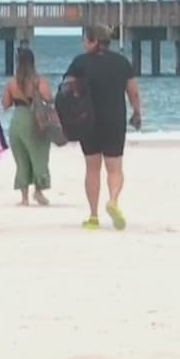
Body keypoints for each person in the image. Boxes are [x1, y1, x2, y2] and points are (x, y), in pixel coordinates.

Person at [63, 24, 142, 230]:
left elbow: (66, 90)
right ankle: (113, 201)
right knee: (114, 168)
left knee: (92, 169)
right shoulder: (122, 62)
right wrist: (137, 113)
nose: (83, 43)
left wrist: (66, 116)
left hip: (87, 121)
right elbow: (133, 92)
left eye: (85, 39)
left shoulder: (80, 63)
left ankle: (93, 216)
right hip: (114, 120)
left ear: (94, 41)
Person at [0, 47, 53, 206]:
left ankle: (24, 198)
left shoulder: (12, 83)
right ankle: (38, 191)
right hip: (34, 120)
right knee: (39, 156)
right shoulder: (39, 81)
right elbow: (48, 98)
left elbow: (5, 104)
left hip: (17, 120)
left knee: (21, 159)